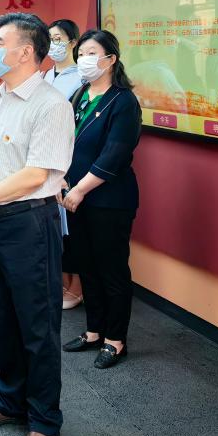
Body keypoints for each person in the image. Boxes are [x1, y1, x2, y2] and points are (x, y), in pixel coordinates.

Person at [0, 13, 74, 436]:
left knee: (37, 324)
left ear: (26, 51)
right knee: (3, 317)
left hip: (29, 223)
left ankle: (44, 420)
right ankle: (11, 400)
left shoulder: (50, 105)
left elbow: (35, 175)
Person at [61, 29, 142, 370]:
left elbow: (114, 154)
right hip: (74, 197)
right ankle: (94, 330)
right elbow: (64, 140)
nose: (84, 60)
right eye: (81, 54)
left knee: (112, 269)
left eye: (92, 53)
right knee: (87, 266)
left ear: (111, 59)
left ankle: (115, 339)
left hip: (109, 200)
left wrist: (79, 189)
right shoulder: (79, 94)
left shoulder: (123, 101)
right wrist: (62, 179)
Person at [43, 19, 86, 310]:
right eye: (49, 39)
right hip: (46, 156)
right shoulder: (46, 75)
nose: (53, 45)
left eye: (58, 39)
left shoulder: (81, 77)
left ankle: (77, 286)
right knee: (55, 225)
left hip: (71, 157)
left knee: (74, 225)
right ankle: (60, 281)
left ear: (73, 42)